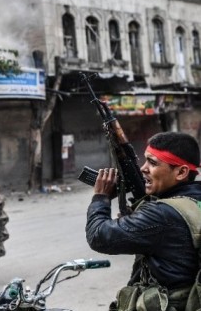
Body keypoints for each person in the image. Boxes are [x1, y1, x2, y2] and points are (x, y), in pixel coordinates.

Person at [86, 131, 201, 311]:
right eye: (145, 160)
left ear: (181, 172)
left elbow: (99, 236)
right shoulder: (194, 200)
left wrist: (101, 197)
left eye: (153, 163)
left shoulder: (162, 214)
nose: (143, 168)